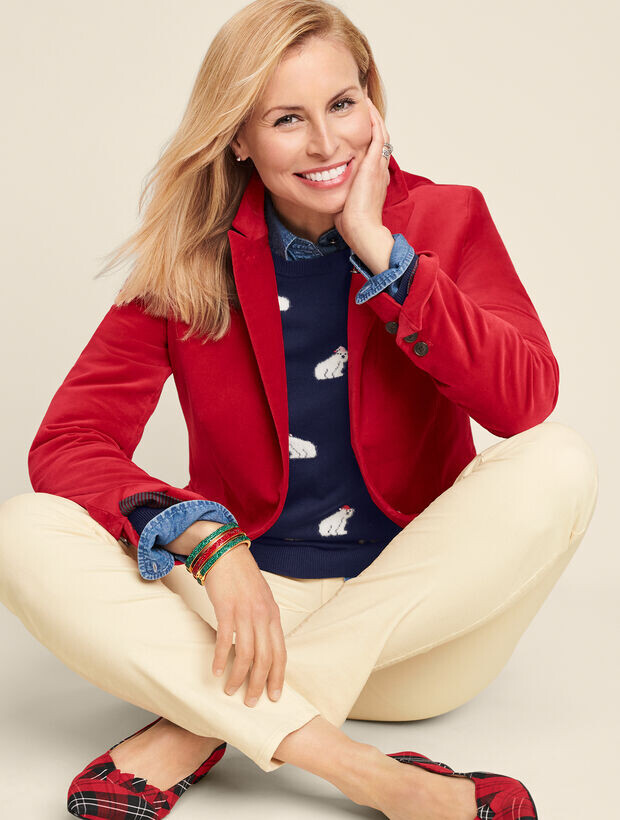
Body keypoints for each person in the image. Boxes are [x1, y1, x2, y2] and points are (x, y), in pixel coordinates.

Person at [0, 0, 599, 818]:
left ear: (372, 102)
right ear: (238, 138)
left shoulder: (446, 217)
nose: (326, 144)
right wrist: (209, 543)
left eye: (343, 104)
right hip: (249, 623)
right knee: (22, 531)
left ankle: (195, 729)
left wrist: (382, 251)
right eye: (287, 119)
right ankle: (372, 775)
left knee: (560, 462)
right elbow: (71, 438)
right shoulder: (189, 260)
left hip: (417, 633)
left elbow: (524, 398)